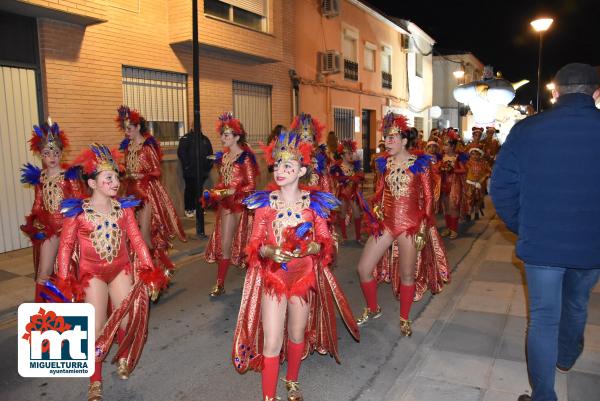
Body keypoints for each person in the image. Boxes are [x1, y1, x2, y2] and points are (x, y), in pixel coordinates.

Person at [491, 63, 600, 401]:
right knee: (577, 303)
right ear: (596, 93)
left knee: (542, 319)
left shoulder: (527, 130)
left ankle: (543, 396)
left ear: (555, 93)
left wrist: (522, 226)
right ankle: (566, 357)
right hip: (592, 244)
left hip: (541, 245)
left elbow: (501, 187)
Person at [232, 129, 359, 401]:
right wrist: (269, 250)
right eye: (277, 163)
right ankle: (268, 396)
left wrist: (314, 247)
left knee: (296, 333)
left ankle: (291, 380)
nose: (280, 169)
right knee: (272, 340)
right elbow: (253, 245)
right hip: (274, 279)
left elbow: (326, 241)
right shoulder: (265, 204)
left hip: (303, 281)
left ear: (301, 171)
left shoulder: (313, 204)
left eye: (288, 165)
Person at [56, 143, 168, 401]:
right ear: (93, 183)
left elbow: (138, 241)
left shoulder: (123, 209)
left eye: (117, 176)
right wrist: (64, 282)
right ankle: (95, 380)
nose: (116, 181)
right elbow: (65, 249)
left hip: (120, 270)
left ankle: (122, 357)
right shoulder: (78, 213)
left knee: (126, 320)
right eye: (108, 177)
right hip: (92, 275)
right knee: (94, 328)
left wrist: (150, 272)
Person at [355, 112, 450, 336]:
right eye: (386, 137)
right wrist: (376, 207)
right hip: (386, 224)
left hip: (410, 225)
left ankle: (404, 318)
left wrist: (424, 229)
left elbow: (429, 199)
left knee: (407, 276)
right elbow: (381, 191)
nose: (387, 142)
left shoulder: (421, 164)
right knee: (363, 268)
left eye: (392, 137)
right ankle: (373, 308)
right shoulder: (383, 164)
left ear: (404, 140)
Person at [116, 106, 186, 277]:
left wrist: (140, 174)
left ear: (138, 127)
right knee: (133, 234)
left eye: (129, 128)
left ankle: (153, 274)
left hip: (146, 193)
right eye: (124, 129)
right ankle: (163, 265)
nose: (126, 132)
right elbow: (128, 168)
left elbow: (157, 171)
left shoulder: (147, 147)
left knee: (144, 234)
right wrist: (123, 171)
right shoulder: (127, 147)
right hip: (131, 193)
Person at [20, 119, 85, 302]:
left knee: (69, 272)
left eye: (56, 152)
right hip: (50, 231)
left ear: (61, 154)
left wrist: (74, 224)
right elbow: (38, 204)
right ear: (40, 155)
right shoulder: (39, 178)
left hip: (68, 228)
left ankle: (72, 312)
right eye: (47, 153)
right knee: (43, 271)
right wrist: (36, 221)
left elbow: (79, 201)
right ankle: (43, 314)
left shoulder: (68, 176)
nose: (52, 157)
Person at [202, 112, 258, 296]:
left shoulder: (245, 158)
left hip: (242, 205)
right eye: (222, 134)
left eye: (227, 135)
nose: (222, 138)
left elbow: (252, 185)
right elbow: (222, 181)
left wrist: (236, 191)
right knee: (225, 243)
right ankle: (220, 283)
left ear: (237, 137)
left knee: (247, 245)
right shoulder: (223, 158)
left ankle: (257, 282)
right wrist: (215, 192)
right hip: (226, 204)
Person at [177, 127, 214, 235]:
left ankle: (199, 207)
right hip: (190, 171)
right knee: (190, 188)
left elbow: (210, 153)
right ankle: (189, 208)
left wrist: (208, 167)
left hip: (202, 171)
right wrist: (187, 166)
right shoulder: (186, 138)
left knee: (199, 189)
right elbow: (181, 153)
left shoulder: (205, 139)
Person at [330, 140, 365, 244]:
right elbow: (337, 178)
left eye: (351, 153)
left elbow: (360, 177)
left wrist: (358, 177)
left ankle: (358, 238)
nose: (350, 155)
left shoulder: (355, 165)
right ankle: (344, 237)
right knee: (342, 214)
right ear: (342, 155)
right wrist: (349, 178)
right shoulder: (337, 167)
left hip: (353, 192)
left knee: (357, 214)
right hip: (343, 192)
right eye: (348, 153)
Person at [439, 131, 468, 239]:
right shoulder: (441, 157)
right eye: (444, 144)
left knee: (453, 206)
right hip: (444, 184)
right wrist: (440, 168)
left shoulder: (458, 157)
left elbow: (463, 170)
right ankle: (448, 228)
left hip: (454, 185)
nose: (444, 147)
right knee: (446, 207)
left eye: (446, 145)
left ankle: (454, 229)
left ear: (452, 146)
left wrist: (453, 169)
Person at [464, 147, 490, 220]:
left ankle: (476, 213)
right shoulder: (467, 163)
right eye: (472, 154)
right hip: (470, 184)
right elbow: (464, 172)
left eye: (476, 154)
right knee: (469, 199)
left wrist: (483, 179)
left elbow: (488, 172)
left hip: (480, 184)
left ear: (480, 155)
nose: (474, 156)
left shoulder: (483, 163)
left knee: (478, 199)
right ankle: (468, 214)